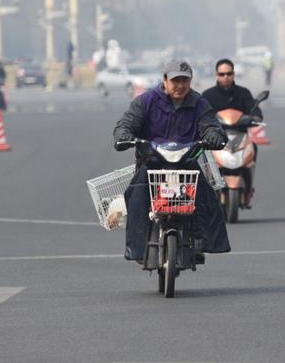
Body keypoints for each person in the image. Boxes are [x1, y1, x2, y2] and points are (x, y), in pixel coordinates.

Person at [113, 59, 230, 264]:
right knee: (135, 194)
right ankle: (137, 249)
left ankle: (201, 242)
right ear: (165, 80)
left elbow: (211, 125)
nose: (180, 85)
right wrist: (123, 135)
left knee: (207, 194)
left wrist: (214, 135)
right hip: (152, 163)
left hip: (187, 163)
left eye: (185, 80)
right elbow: (126, 123)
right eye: (176, 80)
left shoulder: (200, 104)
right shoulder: (146, 101)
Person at [202, 58, 264, 206]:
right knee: (203, 152)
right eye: (222, 74)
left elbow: (254, 110)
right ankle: (208, 190)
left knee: (254, 148)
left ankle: (248, 188)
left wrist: (255, 117)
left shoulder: (243, 93)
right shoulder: (208, 95)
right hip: (216, 139)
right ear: (217, 75)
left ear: (233, 74)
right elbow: (200, 114)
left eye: (229, 73)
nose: (226, 77)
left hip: (240, 136)